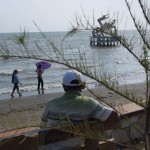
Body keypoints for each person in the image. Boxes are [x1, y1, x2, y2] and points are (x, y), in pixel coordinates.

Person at [41, 70, 120, 130]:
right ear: (83, 86)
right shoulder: (89, 103)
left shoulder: (50, 104)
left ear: (63, 86)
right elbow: (115, 117)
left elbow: (42, 127)